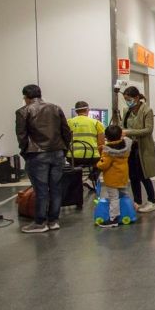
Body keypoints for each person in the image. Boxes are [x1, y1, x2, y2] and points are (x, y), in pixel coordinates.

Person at [16, 84, 72, 233]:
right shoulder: (56, 108)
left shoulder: (23, 111)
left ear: (26, 97)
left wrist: (24, 152)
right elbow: (66, 131)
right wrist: (64, 148)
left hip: (37, 154)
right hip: (58, 152)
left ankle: (40, 222)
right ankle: (53, 221)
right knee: (56, 188)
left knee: (41, 190)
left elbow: (21, 136)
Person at [122, 86, 155, 213]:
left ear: (137, 97)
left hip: (142, 147)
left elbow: (148, 130)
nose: (128, 101)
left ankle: (152, 201)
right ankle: (137, 201)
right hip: (130, 148)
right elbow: (123, 126)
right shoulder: (126, 110)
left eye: (129, 99)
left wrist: (129, 132)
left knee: (144, 175)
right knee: (133, 176)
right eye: (126, 99)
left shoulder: (147, 110)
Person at [95, 125, 132, 228]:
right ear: (120, 135)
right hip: (123, 176)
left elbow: (103, 164)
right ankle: (129, 212)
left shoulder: (108, 151)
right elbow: (125, 138)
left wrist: (98, 163)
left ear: (106, 137)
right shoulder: (126, 146)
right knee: (124, 195)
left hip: (112, 179)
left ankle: (113, 219)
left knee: (113, 198)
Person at [67, 100, 105, 182]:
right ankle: (91, 181)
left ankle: (76, 183)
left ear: (76, 111)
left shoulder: (68, 122)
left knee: (74, 170)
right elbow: (101, 144)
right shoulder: (97, 123)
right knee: (103, 163)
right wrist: (101, 157)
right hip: (91, 157)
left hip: (72, 157)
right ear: (88, 110)